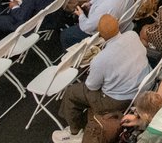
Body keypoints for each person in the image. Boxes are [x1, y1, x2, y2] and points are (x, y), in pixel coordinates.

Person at [54, 14, 149, 143]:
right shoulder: (132, 35)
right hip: (141, 88)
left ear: (101, 35)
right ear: (118, 25)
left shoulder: (101, 59)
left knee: (72, 92)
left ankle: (74, 132)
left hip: (116, 101)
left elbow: (92, 86)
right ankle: (82, 119)